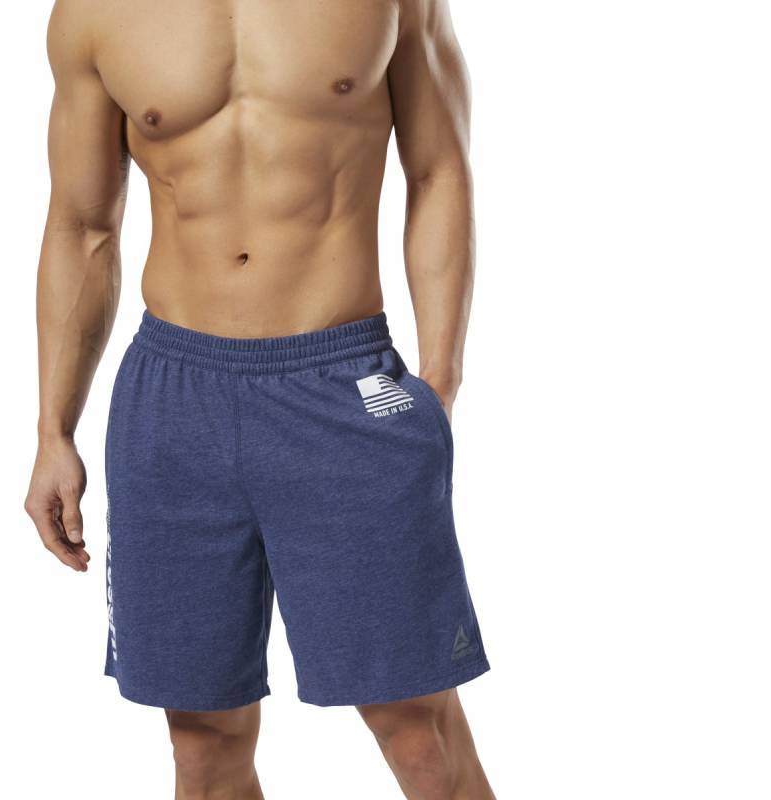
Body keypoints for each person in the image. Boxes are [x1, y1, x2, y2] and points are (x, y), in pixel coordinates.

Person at [24, 1, 494, 797]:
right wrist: (52, 430)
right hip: (174, 397)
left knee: (416, 727)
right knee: (202, 741)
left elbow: (439, 169)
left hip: (343, 382)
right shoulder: (96, 12)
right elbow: (82, 225)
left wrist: (438, 383)